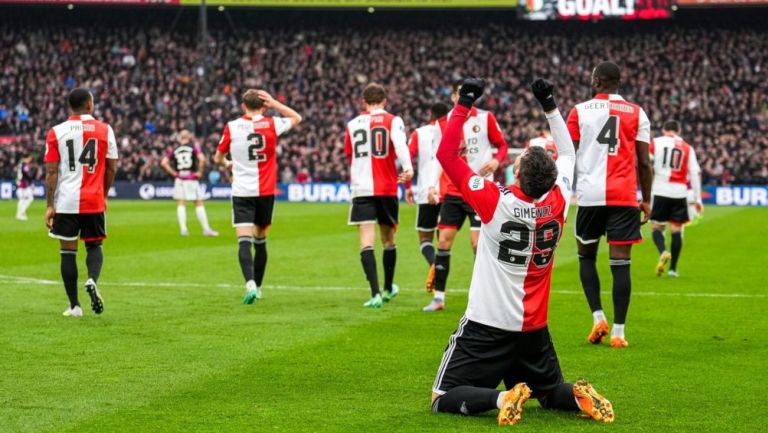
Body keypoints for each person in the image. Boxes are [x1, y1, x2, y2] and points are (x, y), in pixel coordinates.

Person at [430, 77, 613, 425]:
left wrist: (464, 102)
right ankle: (576, 395)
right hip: (533, 328)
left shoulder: (494, 201)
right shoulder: (558, 202)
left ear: (518, 172)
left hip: (487, 323)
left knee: (442, 398)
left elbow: (446, 153)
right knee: (547, 391)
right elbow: (570, 153)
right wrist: (549, 105)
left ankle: (503, 398)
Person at [566, 61, 653, 348]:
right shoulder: (637, 113)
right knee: (621, 265)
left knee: (586, 257)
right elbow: (644, 162)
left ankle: (597, 316)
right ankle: (618, 332)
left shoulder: (579, 111)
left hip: (590, 196)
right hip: (624, 197)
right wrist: (647, 199)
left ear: (597, 81)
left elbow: (568, 154)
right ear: (618, 82)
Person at [424, 80, 509, 312]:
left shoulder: (485, 118)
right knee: (443, 241)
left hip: (480, 189)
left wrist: (495, 160)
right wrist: (432, 186)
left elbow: (502, 145)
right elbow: (437, 158)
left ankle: (484, 296)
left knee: (477, 244)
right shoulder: (443, 123)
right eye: (460, 94)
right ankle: (439, 297)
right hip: (453, 191)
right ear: (453, 97)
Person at [214, 89, 302, 304]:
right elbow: (296, 118)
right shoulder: (272, 123)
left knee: (243, 240)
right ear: (263, 106)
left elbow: (218, 158)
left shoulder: (232, 127)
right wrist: (275, 103)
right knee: (260, 240)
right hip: (265, 192)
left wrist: (227, 164)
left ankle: (250, 284)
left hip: (242, 191)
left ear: (243, 106)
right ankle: (259, 287)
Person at [44, 88, 118, 317]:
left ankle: (74, 306)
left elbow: (51, 171)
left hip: (66, 201)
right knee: (94, 245)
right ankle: (92, 280)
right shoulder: (106, 130)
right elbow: (112, 167)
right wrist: (103, 194)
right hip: (93, 200)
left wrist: (49, 205)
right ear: (89, 105)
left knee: (67, 252)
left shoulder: (56, 132)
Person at [345, 83, 413, 308]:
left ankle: (374, 293)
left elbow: (349, 155)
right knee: (388, 240)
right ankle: (387, 289)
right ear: (384, 100)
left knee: (366, 242)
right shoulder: (393, 120)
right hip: (386, 188)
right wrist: (408, 168)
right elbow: (400, 145)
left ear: (363, 102)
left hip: (361, 189)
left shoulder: (352, 124)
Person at [649, 120, 703, 277]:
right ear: (678, 131)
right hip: (679, 192)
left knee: (657, 227)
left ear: (663, 129)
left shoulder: (656, 143)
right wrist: (698, 199)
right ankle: (672, 269)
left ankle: (663, 251)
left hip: (660, 189)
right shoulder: (687, 147)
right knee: (677, 230)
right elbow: (694, 173)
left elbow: (645, 162)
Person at [405, 102, 450, 272]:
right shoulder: (453, 133)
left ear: (431, 114)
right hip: (447, 193)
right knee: (444, 242)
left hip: (426, 192)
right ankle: (440, 278)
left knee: (425, 239)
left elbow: (407, 159)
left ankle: (433, 264)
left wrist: (408, 187)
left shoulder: (419, 133)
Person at [161, 129, 218, 237]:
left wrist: (173, 173)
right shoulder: (193, 148)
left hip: (180, 178)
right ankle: (206, 229)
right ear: (188, 137)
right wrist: (200, 172)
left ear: (180, 138)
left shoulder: (175, 150)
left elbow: (164, 162)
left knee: (181, 203)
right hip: (191, 178)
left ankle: (183, 230)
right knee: (198, 203)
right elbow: (202, 159)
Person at [15, 154, 35, 220]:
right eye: (29, 159)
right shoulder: (24, 164)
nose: (30, 160)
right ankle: (20, 214)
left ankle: (20, 213)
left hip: (22, 183)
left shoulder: (20, 163)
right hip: (22, 184)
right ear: (26, 158)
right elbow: (26, 174)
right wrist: (31, 182)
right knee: (24, 199)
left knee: (27, 198)